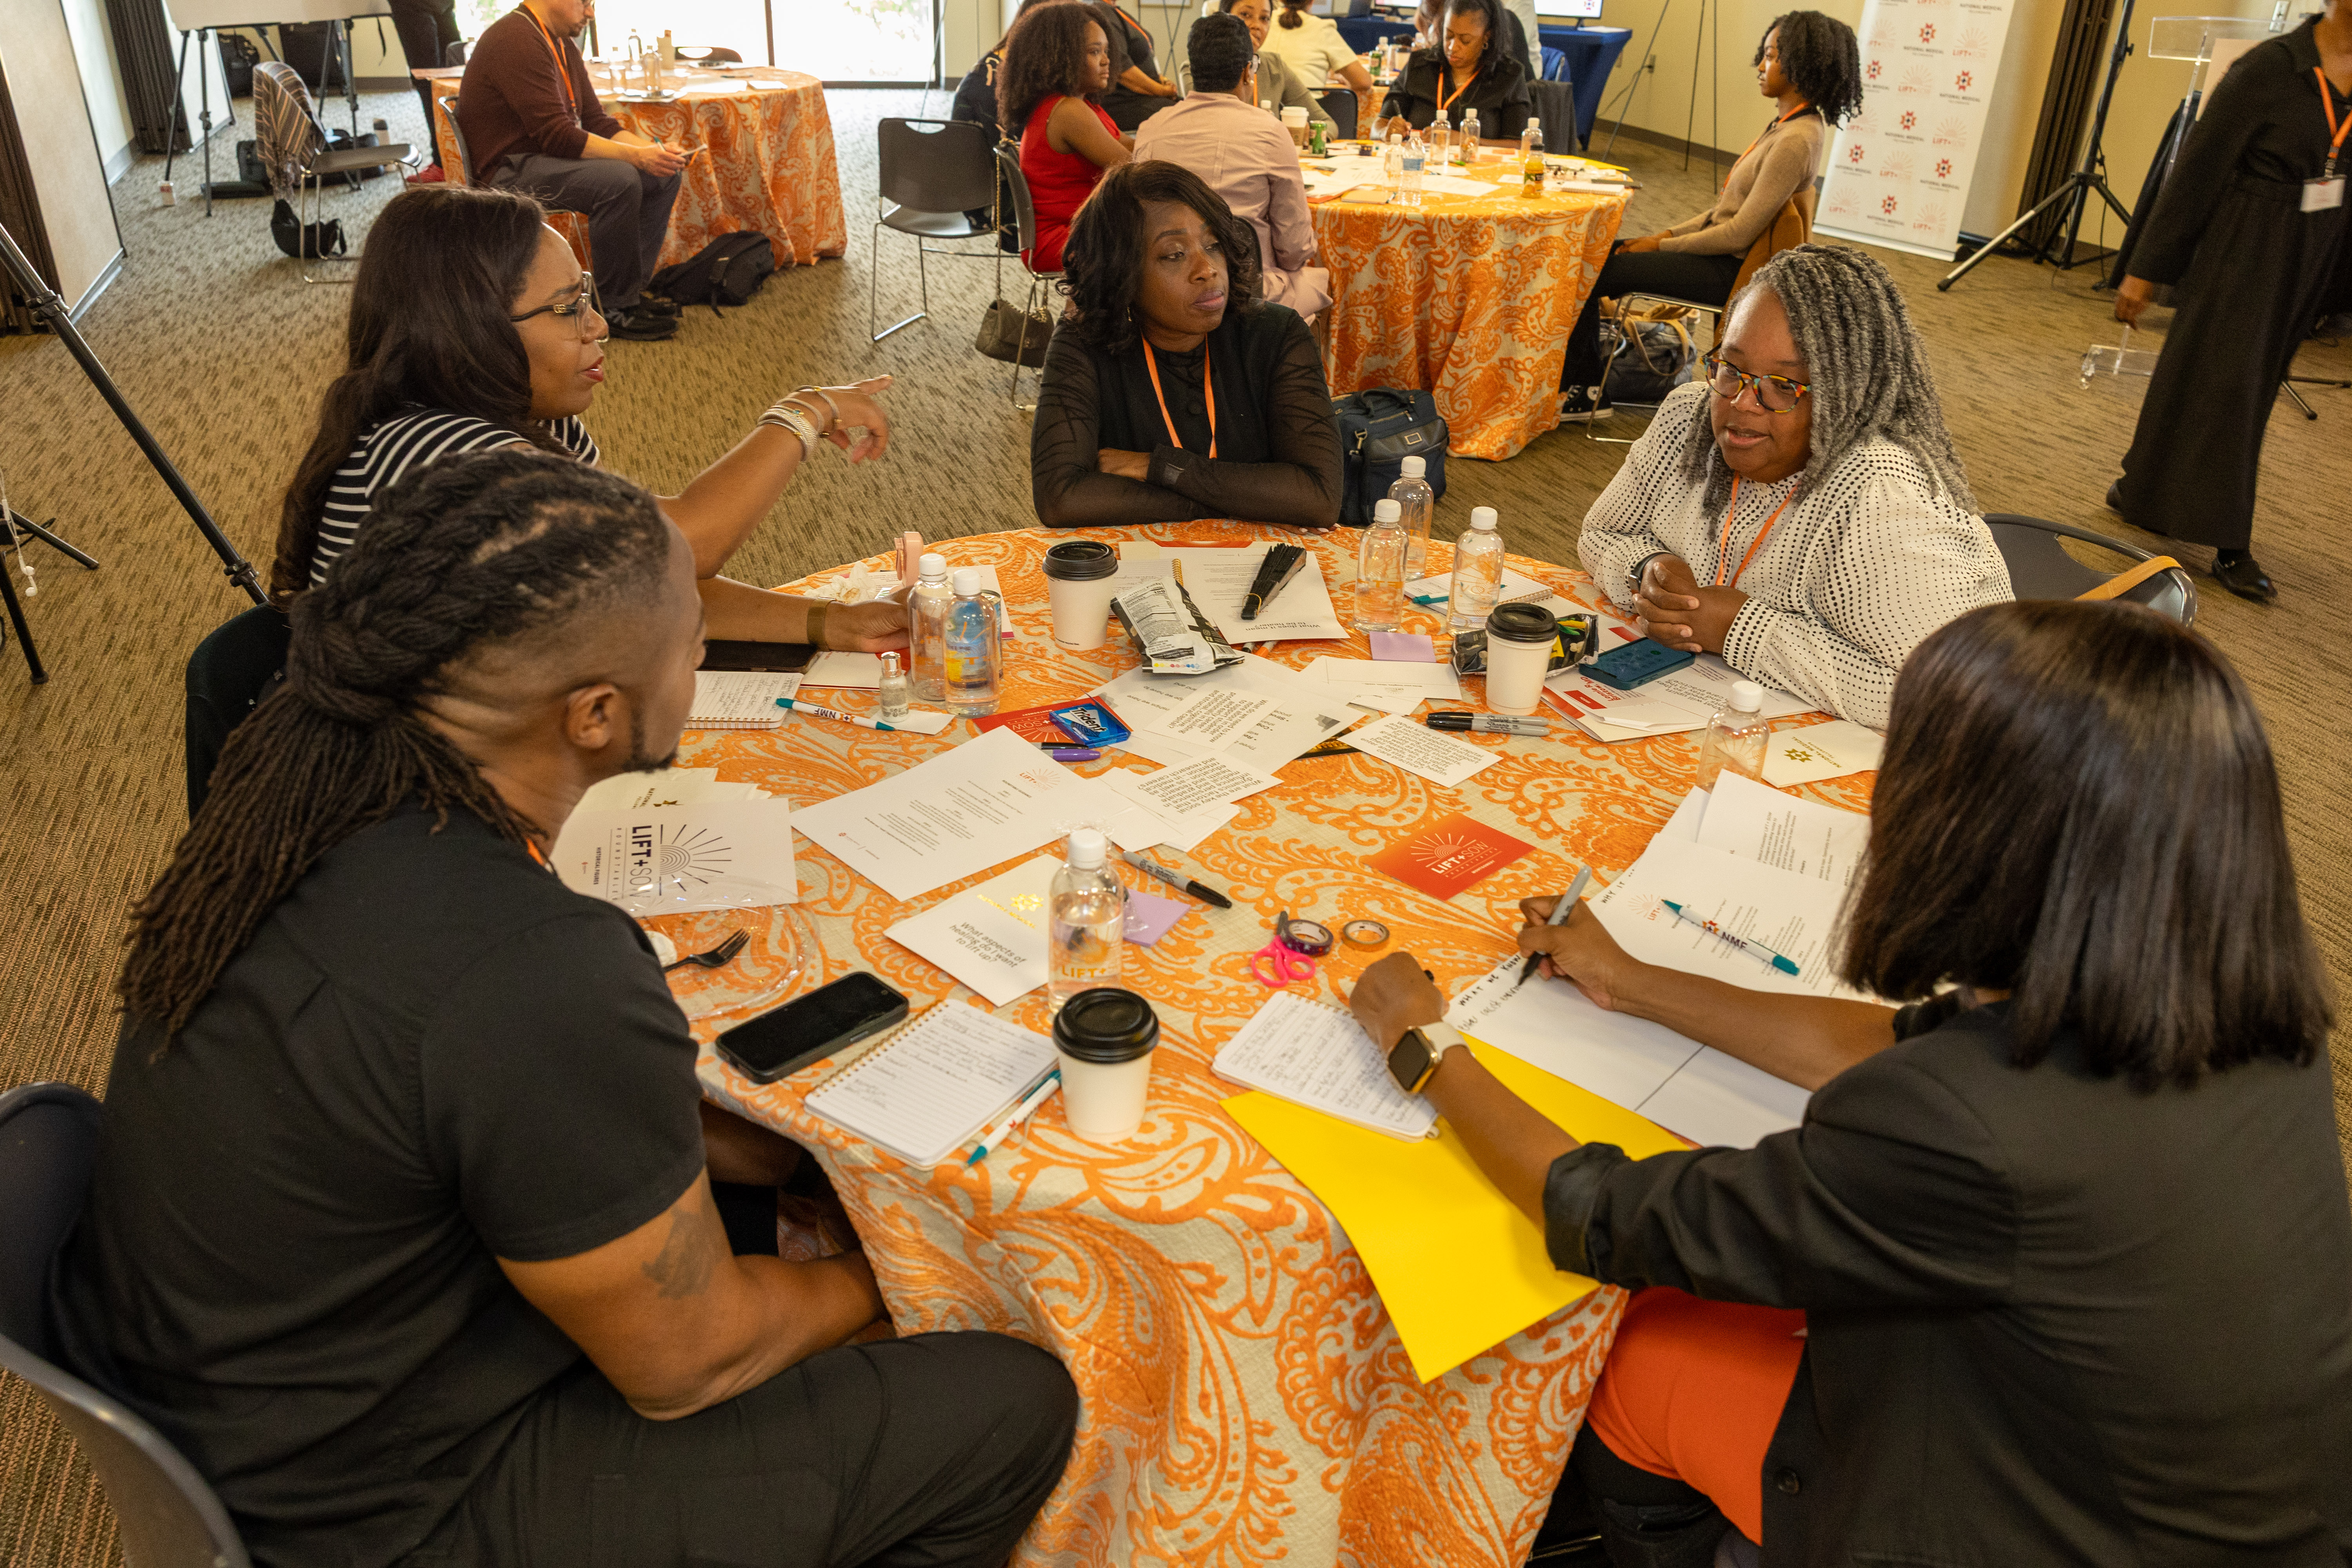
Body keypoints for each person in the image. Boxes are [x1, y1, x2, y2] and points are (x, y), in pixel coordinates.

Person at [53, 452, 1082, 1567]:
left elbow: (482, 1110)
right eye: (690, 640)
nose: (698, 653)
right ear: (596, 715)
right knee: (1010, 1393)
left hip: (248, 1397)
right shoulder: (531, 968)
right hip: (390, 1516)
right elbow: (695, 1365)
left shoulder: (297, 793)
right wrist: (898, 1276)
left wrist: (791, 1167)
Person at [1347, 598, 2352, 1567]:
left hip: (2030, 1524)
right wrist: (1636, 982)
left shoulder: (1962, 1126)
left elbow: (1609, 1215)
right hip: (2228, 1500)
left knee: (1642, 1352)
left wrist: (1427, 1045)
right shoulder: (2241, 1006)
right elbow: (1894, 1040)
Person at [272, 185, 906, 656]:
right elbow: (686, 546)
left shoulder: (524, 421)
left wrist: (831, 623)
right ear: (471, 332)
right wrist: (806, 409)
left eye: (588, 295)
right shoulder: (446, 455)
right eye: (567, 306)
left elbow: (638, 577)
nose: (598, 325)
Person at [1577, 245, 2009, 730]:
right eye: (1732, 369)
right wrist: (1646, 570)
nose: (1742, 402)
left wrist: (1740, 629)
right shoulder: (1689, 420)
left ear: (1848, 394)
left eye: (1785, 386)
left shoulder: (1880, 496)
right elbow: (1600, 534)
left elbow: (1953, 694)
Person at [2108, 0, 2352, 603]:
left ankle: (2141, 491)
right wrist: (2146, 270)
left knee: (2235, 381)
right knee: (2232, 386)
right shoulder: (2270, 68)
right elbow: (2197, 169)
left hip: (2313, 248)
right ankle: (2229, 542)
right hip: (2246, 243)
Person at [1559, 10, 1858, 421]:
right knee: (1605, 252)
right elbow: (1723, 214)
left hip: (1731, 272)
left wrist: (1660, 244)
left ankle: (1586, 389)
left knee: (1598, 268)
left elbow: (1737, 234)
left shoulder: (1796, 140)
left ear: (1803, 63)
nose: (1760, 65)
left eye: (1772, 56)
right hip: (1721, 257)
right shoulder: (1786, 126)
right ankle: (1581, 382)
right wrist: (1661, 235)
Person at [1031, 160, 1342, 528]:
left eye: (1213, 245)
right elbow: (1060, 500)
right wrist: (1241, 502)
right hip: (1137, 572)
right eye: (1174, 255)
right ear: (1121, 273)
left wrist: (1158, 467)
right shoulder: (1082, 344)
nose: (1207, 269)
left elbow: (1319, 498)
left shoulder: (1276, 334)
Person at [456, 0, 688, 340]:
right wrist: (635, 158)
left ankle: (629, 295)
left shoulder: (560, 42)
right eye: (585, 2)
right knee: (620, 180)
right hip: (507, 171)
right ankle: (614, 307)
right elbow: (558, 136)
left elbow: (597, 122)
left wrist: (653, 153)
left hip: (543, 160)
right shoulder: (516, 39)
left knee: (662, 174)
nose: (591, 13)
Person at [1134, 15, 1331, 319]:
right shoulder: (1270, 132)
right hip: (1246, 296)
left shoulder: (1150, 129)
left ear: (1193, 71)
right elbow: (1295, 250)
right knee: (1325, 281)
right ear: (1247, 72)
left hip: (1165, 296)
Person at [1002, 0, 1131, 274]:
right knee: (1166, 244)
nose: (1107, 60)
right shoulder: (1067, 112)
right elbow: (1133, 167)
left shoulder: (1080, 106)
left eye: (1107, 50)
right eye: (1095, 52)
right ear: (1061, 57)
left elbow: (1132, 146)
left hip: (1077, 230)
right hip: (1065, 239)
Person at [1379, 0, 1530, 142]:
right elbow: (1380, 125)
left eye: (1465, 40)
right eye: (1449, 36)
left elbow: (1519, 145)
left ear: (1487, 37)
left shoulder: (1509, 76)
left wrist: (1466, 140)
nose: (1452, 47)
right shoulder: (1419, 65)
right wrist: (1384, 132)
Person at [1248, 0, 1375, 130]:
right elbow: (1364, 81)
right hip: (1305, 118)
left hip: (1293, 118)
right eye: (1245, 15)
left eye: (1265, 19)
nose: (1256, 26)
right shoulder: (1323, 29)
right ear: (1312, 2)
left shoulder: (1275, 61)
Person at [389, 0, 462, 182]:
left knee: (429, 82)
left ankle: (443, 164)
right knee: (452, 77)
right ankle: (457, 159)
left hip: (413, 6)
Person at [1091, 0, 1178, 132]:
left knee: (1187, 107)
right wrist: (1161, 91)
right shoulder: (1102, 10)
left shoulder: (1116, 11)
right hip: (1123, 101)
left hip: (1142, 98)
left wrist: (1163, 80)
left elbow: (1141, 60)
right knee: (1180, 114)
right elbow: (1123, 71)